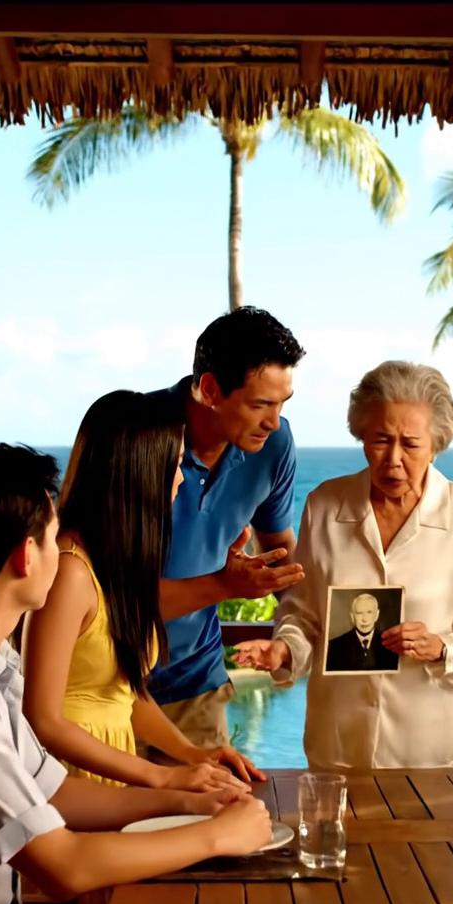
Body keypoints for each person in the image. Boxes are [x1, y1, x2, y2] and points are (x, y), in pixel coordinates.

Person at [0, 444, 271, 904]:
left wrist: (182, 801)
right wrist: (218, 835)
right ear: (25, 555)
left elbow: (53, 790)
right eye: (53, 536)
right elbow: (64, 866)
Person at [234, 361, 453, 770]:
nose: (393, 459)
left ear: (436, 445)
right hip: (337, 751)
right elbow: (303, 614)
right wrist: (283, 650)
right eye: (380, 440)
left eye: (411, 444)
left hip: (432, 756)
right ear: (362, 437)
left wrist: (441, 647)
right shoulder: (325, 506)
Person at [21, 391, 258, 792]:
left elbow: (123, 695)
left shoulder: (109, 564)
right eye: (176, 463)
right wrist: (163, 777)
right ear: (140, 471)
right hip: (68, 780)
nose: (182, 478)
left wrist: (191, 753)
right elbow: (42, 719)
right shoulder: (71, 572)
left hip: (112, 768)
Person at [139, 306, 307, 761]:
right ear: (210, 389)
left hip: (196, 684)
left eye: (282, 404)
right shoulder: (135, 438)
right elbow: (103, 596)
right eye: (260, 405)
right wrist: (228, 584)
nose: (274, 421)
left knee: (210, 823)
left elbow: (281, 555)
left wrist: (308, 634)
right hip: (108, 684)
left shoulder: (274, 445)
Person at [325, 593, 398, 672]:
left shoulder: (392, 643)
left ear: (377, 615)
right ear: (352, 617)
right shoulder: (335, 647)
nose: (364, 619)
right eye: (359, 613)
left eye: (369, 612)